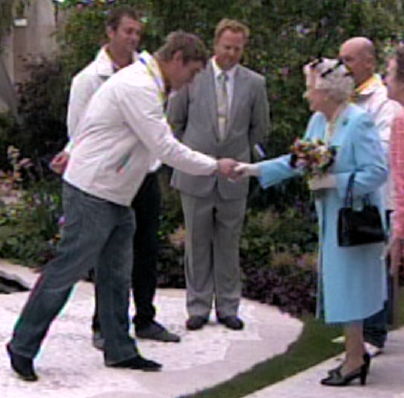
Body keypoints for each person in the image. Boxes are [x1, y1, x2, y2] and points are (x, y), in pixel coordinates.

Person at [6, 31, 239, 382]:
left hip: (115, 193)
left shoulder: (146, 82)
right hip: (93, 191)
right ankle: (22, 345)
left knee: (116, 275)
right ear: (176, 59)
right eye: (191, 73)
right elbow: (165, 148)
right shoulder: (139, 87)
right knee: (66, 270)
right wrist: (214, 166)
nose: (191, 82)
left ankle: (119, 350)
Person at [236, 58, 387, 386]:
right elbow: (298, 160)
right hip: (329, 217)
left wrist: (336, 182)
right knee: (343, 286)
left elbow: (377, 171)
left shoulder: (358, 122)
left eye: (309, 88)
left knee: (351, 288)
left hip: (353, 219)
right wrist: (255, 170)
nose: (306, 95)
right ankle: (355, 355)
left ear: (327, 91)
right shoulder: (319, 121)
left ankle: (354, 358)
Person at [52, 7, 180, 347]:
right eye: (128, 31)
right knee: (106, 253)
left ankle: (146, 319)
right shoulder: (87, 79)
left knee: (147, 248)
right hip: (107, 180)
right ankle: (104, 325)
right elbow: (79, 131)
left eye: (138, 33)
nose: (134, 38)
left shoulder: (151, 75)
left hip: (144, 173)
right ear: (111, 32)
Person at [167, 19, 270, 331]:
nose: (232, 53)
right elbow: (174, 121)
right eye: (227, 47)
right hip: (195, 173)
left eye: (238, 48)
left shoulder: (255, 83)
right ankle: (197, 307)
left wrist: (239, 154)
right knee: (197, 242)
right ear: (216, 45)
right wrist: (192, 156)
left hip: (234, 175)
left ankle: (228, 306)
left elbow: (260, 127)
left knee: (228, 243)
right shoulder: (193, 78)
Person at [339, 37, 400, 356]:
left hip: (381, 193)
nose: (343, 67)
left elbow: (381, 146)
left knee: (377, 262)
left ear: (368, 62)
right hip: (356, 192)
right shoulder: (349, 97)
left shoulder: (384, 101)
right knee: (360, 261)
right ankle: (359, 328)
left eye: (349, 60)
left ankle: (374, 333)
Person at [386, 46, 404, 283]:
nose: (385, 79)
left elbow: (402, 185)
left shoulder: (400, 124)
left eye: (390, 72)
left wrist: (398, 236)